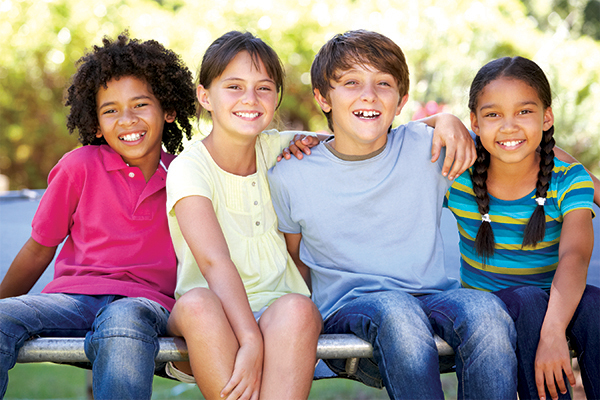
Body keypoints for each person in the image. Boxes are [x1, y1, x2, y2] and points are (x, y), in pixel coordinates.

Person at [268, 30, 518, 400]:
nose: (368, 94)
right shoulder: (290, 174)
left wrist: (447, 119)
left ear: (401, 101)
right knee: (396, 309)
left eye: (383, 83)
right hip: (349, 311)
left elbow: (523, 150)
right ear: (323, 97)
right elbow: (295, 259)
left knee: (485, 308)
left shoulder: (428, 148)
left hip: (432, 301)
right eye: (351, 82)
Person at [0, 32, 196, 400]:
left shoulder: (187, 176)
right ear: (95, 122)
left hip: (145, 306)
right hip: (73, 300)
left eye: (140, 104)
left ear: (168, 109)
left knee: (123, 321)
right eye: (110, 110)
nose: (127, 120)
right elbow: (38, 249)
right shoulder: (79, 167)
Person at [164, 31, 323, 400]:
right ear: (205, 96)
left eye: (263, 88)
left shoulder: (281, 149)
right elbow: (213, 260)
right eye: (234, 86)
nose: (250, 99)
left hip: (280, 311)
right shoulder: (190, 168)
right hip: (213, 312)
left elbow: (357, 137)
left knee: (299, 308)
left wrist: (439, 121)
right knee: (198, 305)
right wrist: (249, 339)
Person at [444, 56, 599, 400]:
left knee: (594, 304)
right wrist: (442, 120)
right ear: (475, 122)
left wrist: (554, 330)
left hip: (555, 303)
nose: (509, 126)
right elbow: (385, 140)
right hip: (485, 311)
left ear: (547, 118)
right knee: (528, 302)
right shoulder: (458, 171)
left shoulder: (567, 178)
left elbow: (575, 256)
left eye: (524, 112)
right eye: (493, 114)